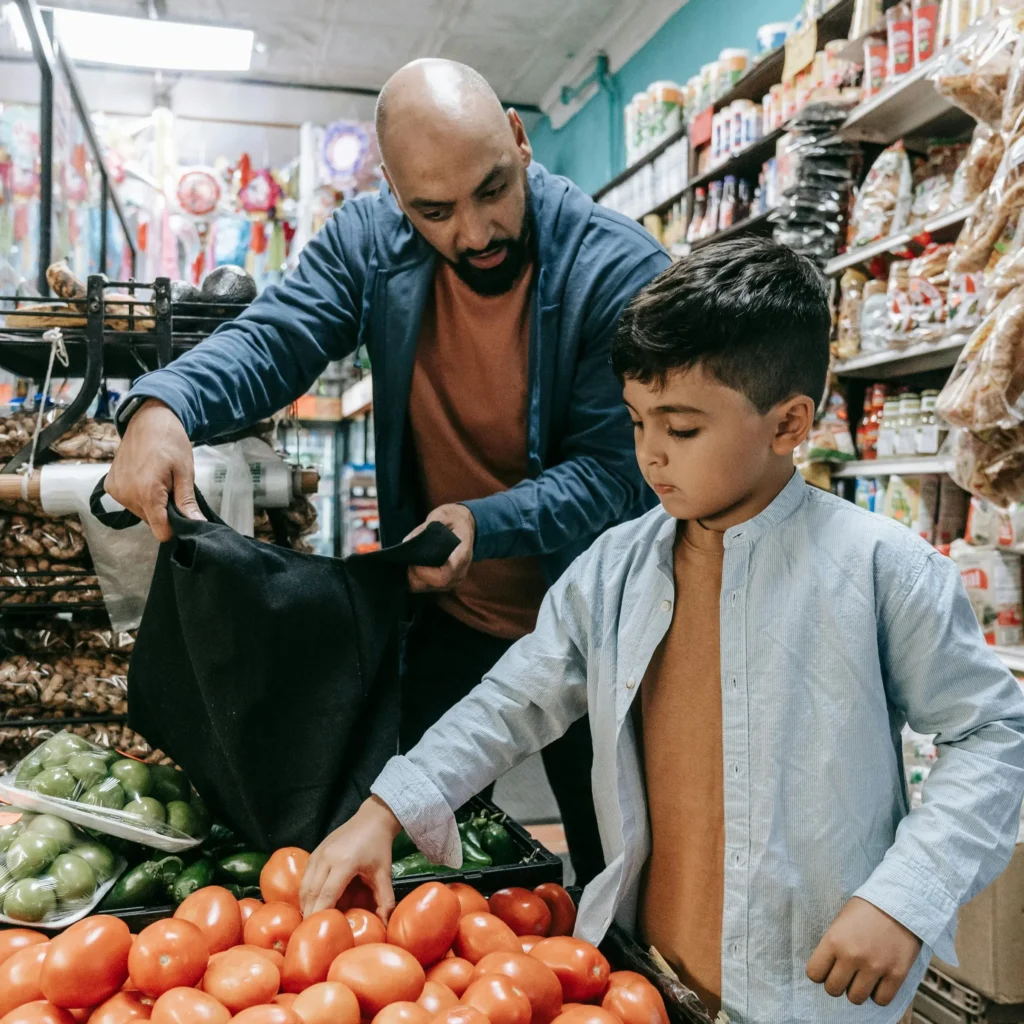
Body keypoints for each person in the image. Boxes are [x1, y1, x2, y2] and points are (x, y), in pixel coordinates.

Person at [297, 237, 1024, 1024]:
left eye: (680, 429)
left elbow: (989, 735)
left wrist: (906, 897)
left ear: (787, 424)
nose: (649, 454)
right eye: (638, 420)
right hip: (650, 975)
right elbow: (514, 698)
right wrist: (389, 808)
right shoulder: (616, 569)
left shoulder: (886, 570)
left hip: (816, 988)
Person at [105, 59, 669, 886]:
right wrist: (163, 405)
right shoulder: (368, 243)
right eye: (434, 210)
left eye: (492, 190)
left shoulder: (617, 273)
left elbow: (615, 476)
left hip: (600, 629)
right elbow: (275, 339)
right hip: (453, 618)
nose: (474, 233)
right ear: (393, 194)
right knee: (418, 868)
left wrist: (488, 521)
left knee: (621, 876)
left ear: (519, 138)